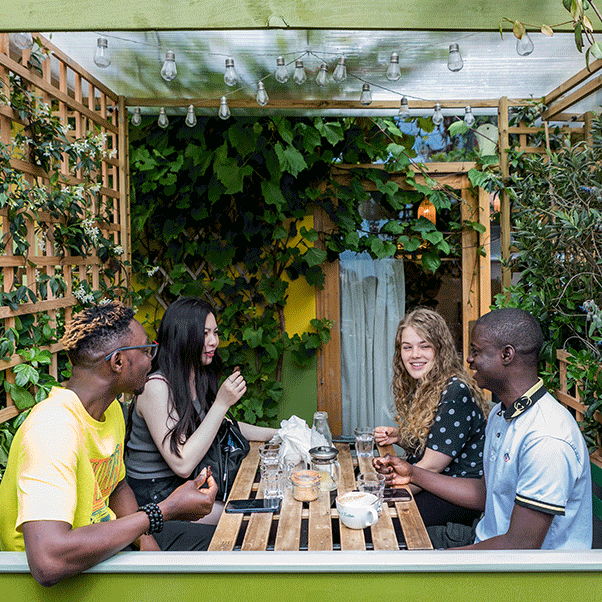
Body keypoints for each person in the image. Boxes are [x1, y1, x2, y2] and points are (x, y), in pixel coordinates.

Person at [0, 301, 218, 587]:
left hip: (109, 545)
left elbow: (116, 485)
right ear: (117, 362)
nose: (152, 359)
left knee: (227, 544)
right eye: (145, 351)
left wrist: (147, 543)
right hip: (61, 574)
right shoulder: (52, 431)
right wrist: (163, 510)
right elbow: (49, 562)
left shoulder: (109, 409)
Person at [375, 308, 593, 549]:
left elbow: (520, 547)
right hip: (485, 544)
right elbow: (483, 493)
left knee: (388, 547)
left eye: (477, 351)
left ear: (506, 355)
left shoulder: (546, 438)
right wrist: (413, 474)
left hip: (521, 576)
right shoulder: (503, 414)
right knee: (380, 538)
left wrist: (439, 561)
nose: (469, 359)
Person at [125, 297, 276, 523]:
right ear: (182, 336)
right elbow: (183, 463)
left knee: (264, 502)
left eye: (215, 333)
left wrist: (278, 435)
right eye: (205, 334)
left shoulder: (195, 375)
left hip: (187, 485)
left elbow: (220, 425)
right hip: (156, 497)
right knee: (247, 519)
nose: (214, 341)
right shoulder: (155, 387)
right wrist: (222, 403)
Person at [373, 308, 489, 528]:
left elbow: (431, 467)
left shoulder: (455, 391)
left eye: (424, 345)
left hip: (455, 496)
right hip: (432, 484)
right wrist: (400, 436)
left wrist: (378, 496)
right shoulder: (428, 384)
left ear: (440, 349)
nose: (415, 354)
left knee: (381, 523)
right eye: (407, 347)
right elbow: (440, 440)